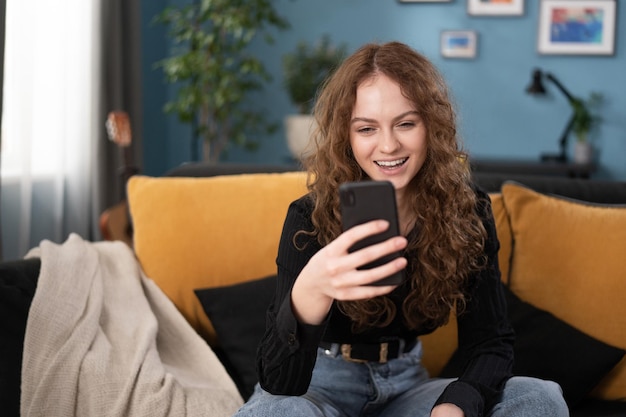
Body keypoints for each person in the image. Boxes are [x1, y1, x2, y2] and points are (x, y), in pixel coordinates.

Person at [234, 41, 568, 417]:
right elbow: (281, 385)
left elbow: (490, 341)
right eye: (367, 128)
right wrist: (309, 291)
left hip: (407, 385)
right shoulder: (307, 218)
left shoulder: (467, 210)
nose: (389, 145)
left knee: (539, 397)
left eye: (406, 124)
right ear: (347, 135)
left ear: (432, 126)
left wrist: (458, 404)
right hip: (318, 386)